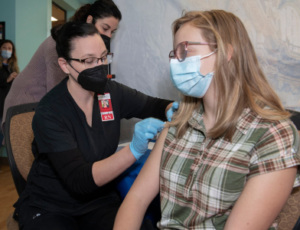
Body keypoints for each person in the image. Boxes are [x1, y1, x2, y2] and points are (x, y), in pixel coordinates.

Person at [113, 10, 300, 230]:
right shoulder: (180, 122)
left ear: (226, 52)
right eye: (174, 53)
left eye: (186, 50)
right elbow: (136, 199)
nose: (176, 62)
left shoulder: (272, 133)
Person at [13, 21, 172, 230]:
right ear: (64, 65)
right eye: (89, 60)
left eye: (104, 57)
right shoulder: (50, 111)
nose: (99, 66)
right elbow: (80, 180)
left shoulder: (110, 93)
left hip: (98, 200)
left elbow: (153, 105)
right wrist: (133, 150)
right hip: (51, 205)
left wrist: (171, 108)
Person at [1, 0, 121, 131]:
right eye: (105, 28)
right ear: (89, 20)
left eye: (112, 32)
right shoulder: (58, 45)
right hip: (24, 107)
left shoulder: (83, 48)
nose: (108, 36)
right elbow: (58, 93)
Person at [0, 39, 19, 143]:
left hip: (9, 106)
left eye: (9, 48)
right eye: (4, 48)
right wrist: (7, 80)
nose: (7, 50)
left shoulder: (13, 67)